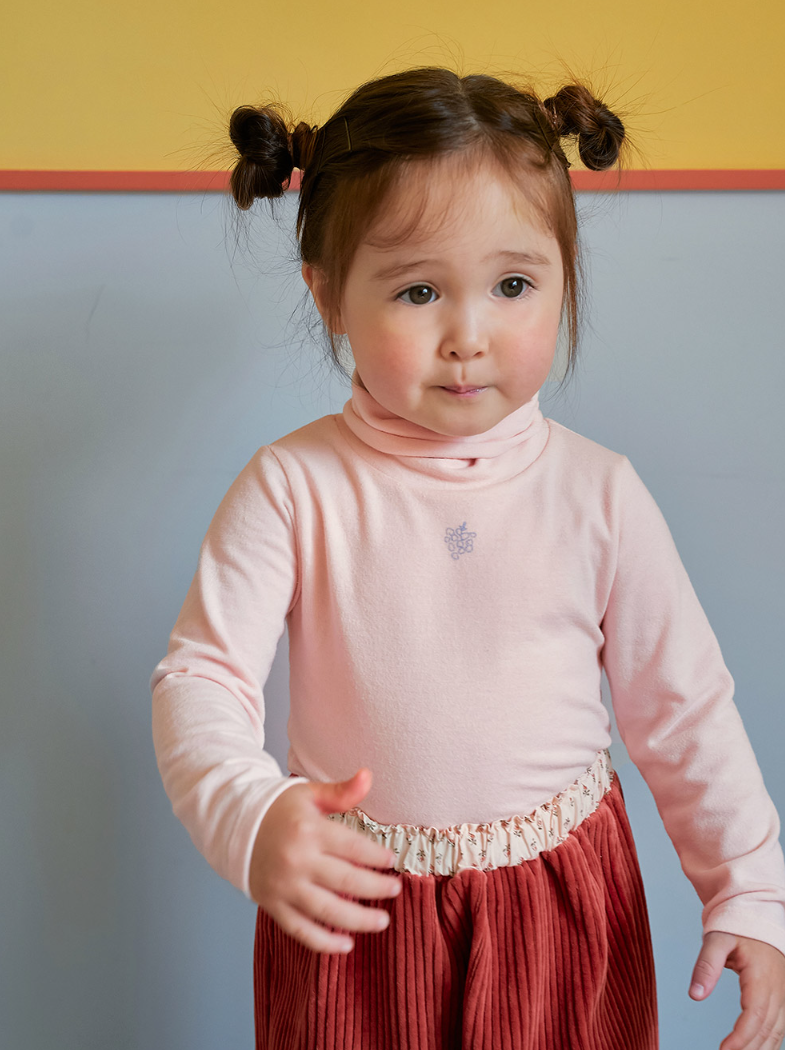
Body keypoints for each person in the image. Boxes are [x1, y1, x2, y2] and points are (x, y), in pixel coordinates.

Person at [150, 66, 785, 1049]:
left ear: (564, 276)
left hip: (564, 915)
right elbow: (202, 678)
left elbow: (683, 709)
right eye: (417, 291)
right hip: (356, 913)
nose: (468, 337)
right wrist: (250, 813)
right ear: (327, 294)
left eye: (513, 285)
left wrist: (747, 888)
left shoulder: (598, 494)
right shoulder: (293, 487)